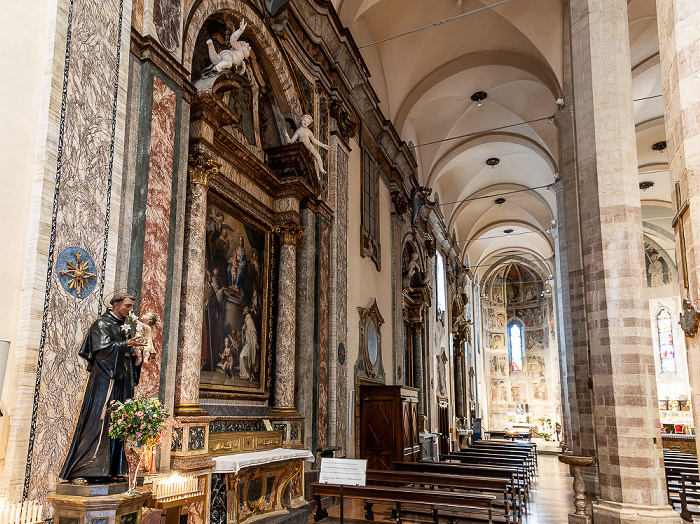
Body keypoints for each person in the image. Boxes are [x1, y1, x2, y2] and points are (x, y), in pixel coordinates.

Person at [60, 293, 146, 482]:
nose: (130, 310)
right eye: (127, 306)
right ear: (115, 305)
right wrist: (126, 345)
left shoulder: (124, 327)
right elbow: (102, 352)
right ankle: (83, 470)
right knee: (98, 421)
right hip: (105, 381)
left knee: (118, 423)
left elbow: (126, 353)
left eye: (131, 306)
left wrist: (137, 355)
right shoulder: (102, 324)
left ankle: (113, 470)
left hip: (121, 381)